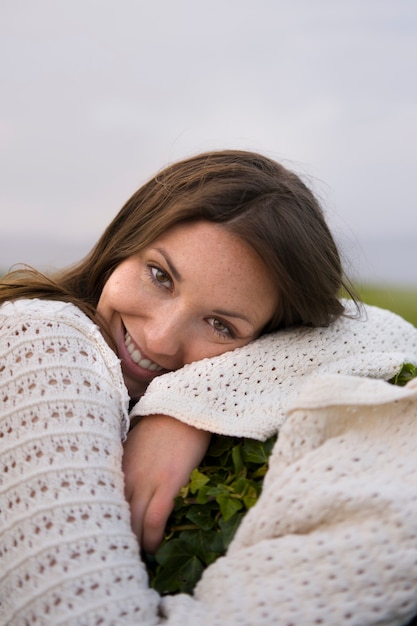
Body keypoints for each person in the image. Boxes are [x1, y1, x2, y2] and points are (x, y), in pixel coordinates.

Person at [1, 149, 417, 625]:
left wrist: (187, 404)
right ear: (125, 240)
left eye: (220, 324)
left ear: (268, 340)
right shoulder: (43, 336)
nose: (158, 337)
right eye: (160, 276)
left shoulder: (174, 380)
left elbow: (388, 332)